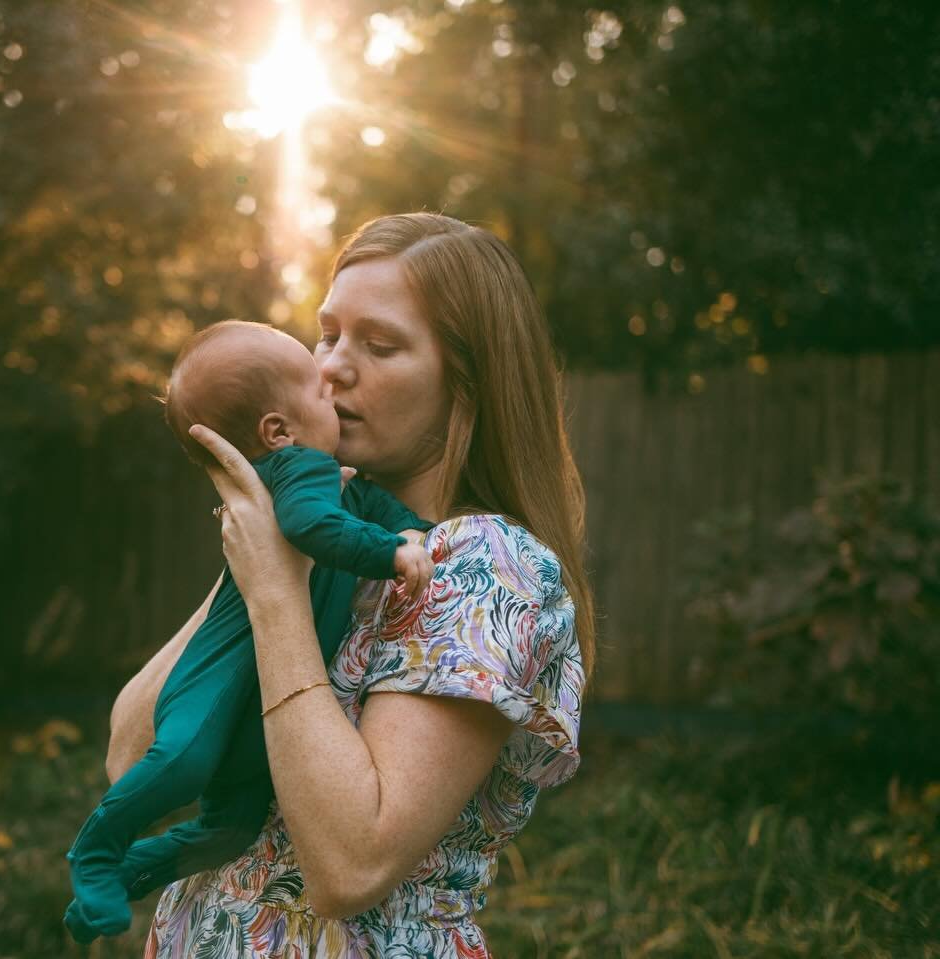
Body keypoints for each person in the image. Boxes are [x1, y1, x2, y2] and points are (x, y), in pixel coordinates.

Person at [105, 213, 596, 957]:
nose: (330, 367)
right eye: (328, 333)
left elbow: (349, 862)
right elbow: (129, 759)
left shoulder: (483, 564)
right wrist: (267, 544)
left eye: (380, 344)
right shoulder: (317, 545)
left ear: (467, 379)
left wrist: (273, 594)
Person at [64, 320, 435, 943]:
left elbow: (379, 512)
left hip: (267, 695)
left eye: (377, 344)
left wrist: (415, 530)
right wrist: (393, 555)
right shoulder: (300, 471)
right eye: (320, 383)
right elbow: (314, 528)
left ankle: (131, 870)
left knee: (232, 826)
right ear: (278, 432)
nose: (332, 379)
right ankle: (94, 854)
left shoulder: (337, 480)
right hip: (224, 670)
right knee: (183, 757)